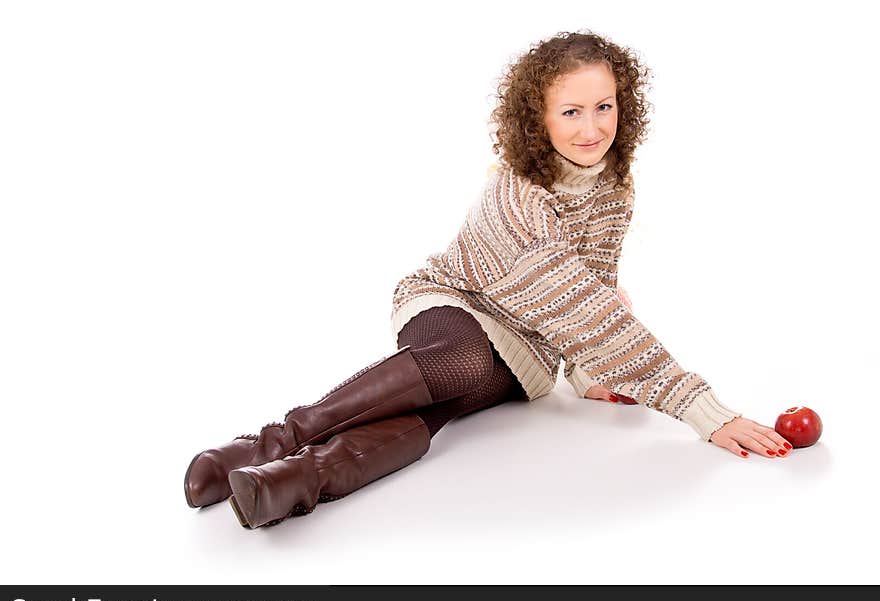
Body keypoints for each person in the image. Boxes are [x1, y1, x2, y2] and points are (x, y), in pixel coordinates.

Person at [183, 30, 793, 530]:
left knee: (451, 403)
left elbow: (594, 284)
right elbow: (582, 309)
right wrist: (702, 410)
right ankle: (269, 444)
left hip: (528, 343)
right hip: (454, 303)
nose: (592, 127)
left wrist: (589, 376)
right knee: (467, 362)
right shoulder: (517, 199)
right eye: (571, 111)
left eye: (604, 106)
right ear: (538, 120)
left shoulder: (614, 186)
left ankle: (294, 481)